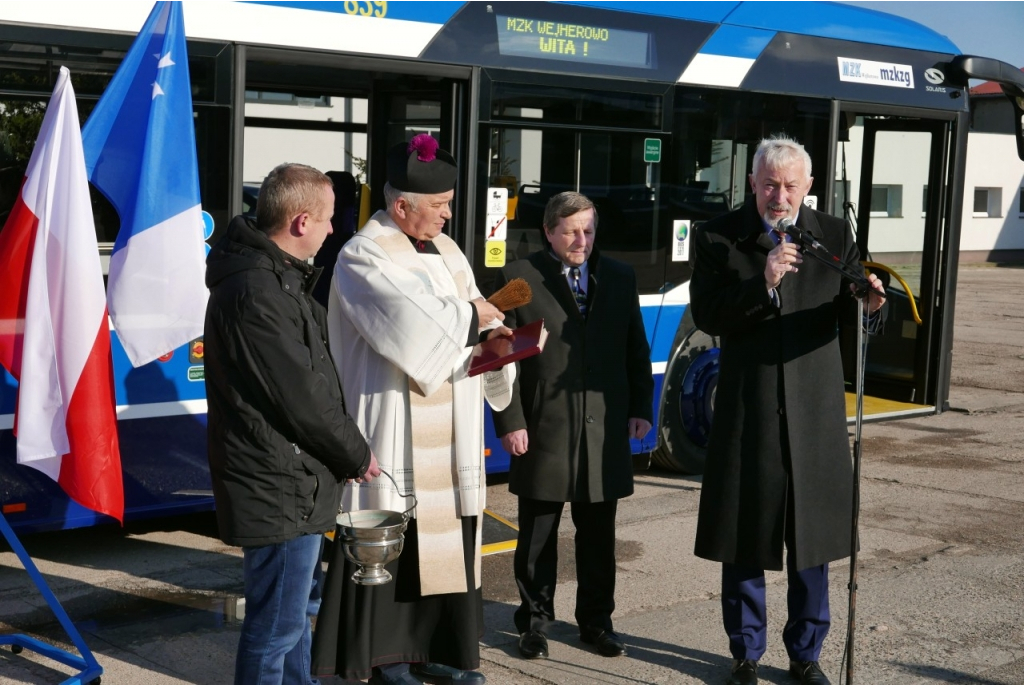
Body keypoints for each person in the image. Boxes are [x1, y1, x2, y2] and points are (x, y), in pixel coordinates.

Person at [311, 134, 514, 685]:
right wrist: (477, 320)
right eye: (441, 204)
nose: (450, 215)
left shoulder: (449, 252)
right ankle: (389, 658)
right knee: (393, 536)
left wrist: (500, 338)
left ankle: (443, 649)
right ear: (402, 206)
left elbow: (476, 313)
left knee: (447, 534)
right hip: (394, 422)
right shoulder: (362, 254)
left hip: (452, 421)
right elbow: (410, 328)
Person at [688, 135, 886, 685]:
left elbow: (849, 314)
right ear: (752, 182)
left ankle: (806, 653)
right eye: (770, 184)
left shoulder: (833, 234)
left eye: (790, 186)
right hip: (750, 406)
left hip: (815, 408)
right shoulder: (718, 236)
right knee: (746, 535)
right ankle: (745, 652)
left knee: (812, 539)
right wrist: (765, 281)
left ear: (809, 187)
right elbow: (708, 313)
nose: (779, 196)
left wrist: (867, 307)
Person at [204, 162, 381, 685]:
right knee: (276, 628)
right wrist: (355, 452)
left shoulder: (276, 278)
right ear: (301, 222)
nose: (334, 229)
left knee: (295, 619)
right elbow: (301, 396)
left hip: (291, 478)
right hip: (277, 483)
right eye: (328, 219)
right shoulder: (258, 292)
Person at [490, 191, 654, 661]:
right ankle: (534, 624)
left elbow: (635, 350)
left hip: (603, 431)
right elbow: (499, 357)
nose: (581, 240)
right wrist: (511, 420)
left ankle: (597, 624)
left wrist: (640, 406)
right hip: (544, 427)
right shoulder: (518, 278)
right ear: (548, 232)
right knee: (537, 535)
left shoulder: (619, 277)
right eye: (570, 231)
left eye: (588, 230)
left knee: (599, 536)